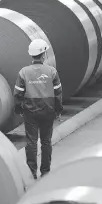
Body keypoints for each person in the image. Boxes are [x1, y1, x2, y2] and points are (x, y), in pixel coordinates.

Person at [13, 39, 63, 180]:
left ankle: (32, 171)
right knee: (46, 141)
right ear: (43, 54)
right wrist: (58, 110)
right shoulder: (52, 72)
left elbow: (17, 94)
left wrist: (19, 109)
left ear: (32, 55)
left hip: (30, 111)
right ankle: (45, 171)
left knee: (31, 141)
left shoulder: (23, 72)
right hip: (48, 111)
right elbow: (58, 94)